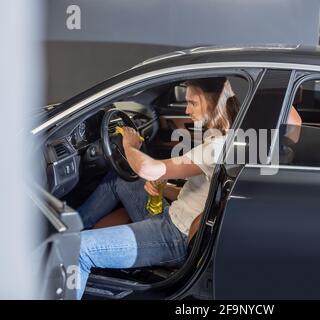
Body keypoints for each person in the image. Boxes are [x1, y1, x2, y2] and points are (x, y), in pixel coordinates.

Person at [76, 77, 239, 299]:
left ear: (211, 103)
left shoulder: (216, 147)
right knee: (121, 178)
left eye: (193, 103)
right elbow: (205, 196)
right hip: (172, 216)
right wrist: (164, 186)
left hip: (176, 237)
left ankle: (69, 244)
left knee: (78, 251)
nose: (187, 109)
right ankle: (72, 226)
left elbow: (147, 168)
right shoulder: (228, 137)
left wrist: (130, 146)